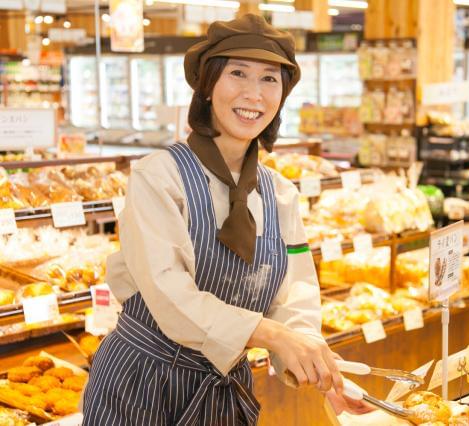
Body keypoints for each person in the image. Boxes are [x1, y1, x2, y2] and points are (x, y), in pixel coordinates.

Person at [82, 14, 364, 425]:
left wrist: (318, 365)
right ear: (208, 86)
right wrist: (272, 335)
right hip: (140, 385)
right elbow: (169, 295)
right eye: (237, 73)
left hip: (222, 389)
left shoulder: (280, 194)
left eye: (270, 79)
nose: (254, 94)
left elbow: (295, 295)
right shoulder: (158, 177)